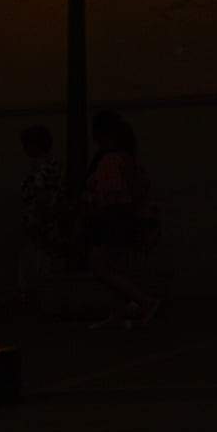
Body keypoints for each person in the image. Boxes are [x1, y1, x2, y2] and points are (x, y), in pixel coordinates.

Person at [78, 110, 161, 329]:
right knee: (115, 268)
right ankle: (117, 314)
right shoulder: (127, 158)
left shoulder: (110, 160)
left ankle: (144, 301)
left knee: (101, 267)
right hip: (123, 218)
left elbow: (113, 194)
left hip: (112, 218)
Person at [14, 123, 62, 305]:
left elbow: (42, 196)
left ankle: (34, 297)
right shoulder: (50, 166)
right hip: (45, 220)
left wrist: (37, 218)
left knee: (36, 260)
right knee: (40, 260)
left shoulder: (42, 170)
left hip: (40, 221)